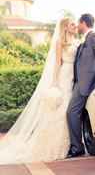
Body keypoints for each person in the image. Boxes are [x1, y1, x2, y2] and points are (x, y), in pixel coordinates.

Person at [0, 17, 79, 164]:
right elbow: (57, 63)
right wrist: (55, 83)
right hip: (64, 77)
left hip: (74, 77)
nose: (75, 26)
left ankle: (70, 144)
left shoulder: (76, 41)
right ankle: (56, 146)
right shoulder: (59, 42)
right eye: (72, 24)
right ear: (65, 27)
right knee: (61, 110)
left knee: (69, 109)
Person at [66, 13, 95, 158]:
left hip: (87, 83)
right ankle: (77, 146)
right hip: (80, 83)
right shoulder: (83, 41)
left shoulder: (93, 36)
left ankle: (77, 148)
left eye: (77, 23)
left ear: (83, 22)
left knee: (71, 112)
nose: (76, 26)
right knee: (73, 113)